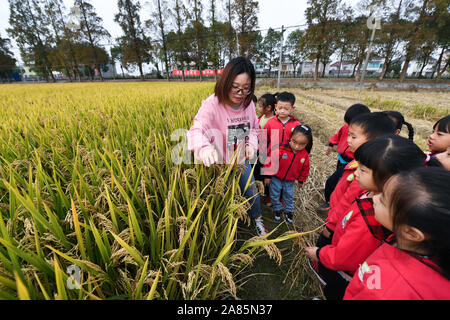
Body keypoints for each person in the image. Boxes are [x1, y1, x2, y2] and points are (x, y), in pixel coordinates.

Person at [305, 135, 441, 300]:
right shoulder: (395, 225)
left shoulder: (370, 224)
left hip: (346, 276)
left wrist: (320, 254)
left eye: (383, 198)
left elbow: (344, 257)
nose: (375, 199)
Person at [187, 57, 268, 236]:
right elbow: (196, 131)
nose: (240, 93)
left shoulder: (248, 104)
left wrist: (251, 145)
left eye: (246, 88)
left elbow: (254, 129)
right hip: (220, 163)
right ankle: (228, 228)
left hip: (241, 160)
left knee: (251, 189)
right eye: (235, 86)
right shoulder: (212, 104)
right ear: (225, 82)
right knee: (223, 196)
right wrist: (204, 148)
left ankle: (256, 218)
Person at [344, 167, 450, 300]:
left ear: (412, 233)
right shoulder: (429, 248)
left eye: (383, 200)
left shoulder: (386, 289)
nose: (375, 198)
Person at [317, 112, 396, 248]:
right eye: (348, 134)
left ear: (374, 141)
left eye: (353, 136)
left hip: (339, 224)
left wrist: (330, 226)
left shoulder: (366, 176)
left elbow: (347, 201)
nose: (348, 140)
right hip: (335, 216)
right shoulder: (358, 162)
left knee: (325, 250)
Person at [318, 104, 371, 215]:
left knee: (332, 183)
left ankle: (330, 204)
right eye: (348, 123)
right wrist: (331, 144)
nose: (349, 139)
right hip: (341, 159)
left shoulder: (365, 136)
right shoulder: (346, 128)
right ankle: (331, 201)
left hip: (350, 164)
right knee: (337, 182)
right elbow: (338, 135)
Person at [263, 125, 312, 225]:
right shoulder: (281, 149)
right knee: (274, 194)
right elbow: (271, 161)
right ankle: (277, 209)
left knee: (289, 196)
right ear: (290, 138)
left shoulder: (304, 155)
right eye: (294, 142)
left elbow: (305, 168)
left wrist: (301, 180)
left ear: (307, 143)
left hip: (290, 180)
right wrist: (267, 175)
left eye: (302, 144)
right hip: (276, 177)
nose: (297, 146)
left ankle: (289, 211)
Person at [254, 93, 277, 204]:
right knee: (257, 171)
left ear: (269, 107)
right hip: (258, 150)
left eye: (260, 106)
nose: (258, 109)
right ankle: (258, 190)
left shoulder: (274, 121)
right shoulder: (261, 118)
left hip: (267, 152)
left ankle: (267, 194)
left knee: (266, 173)